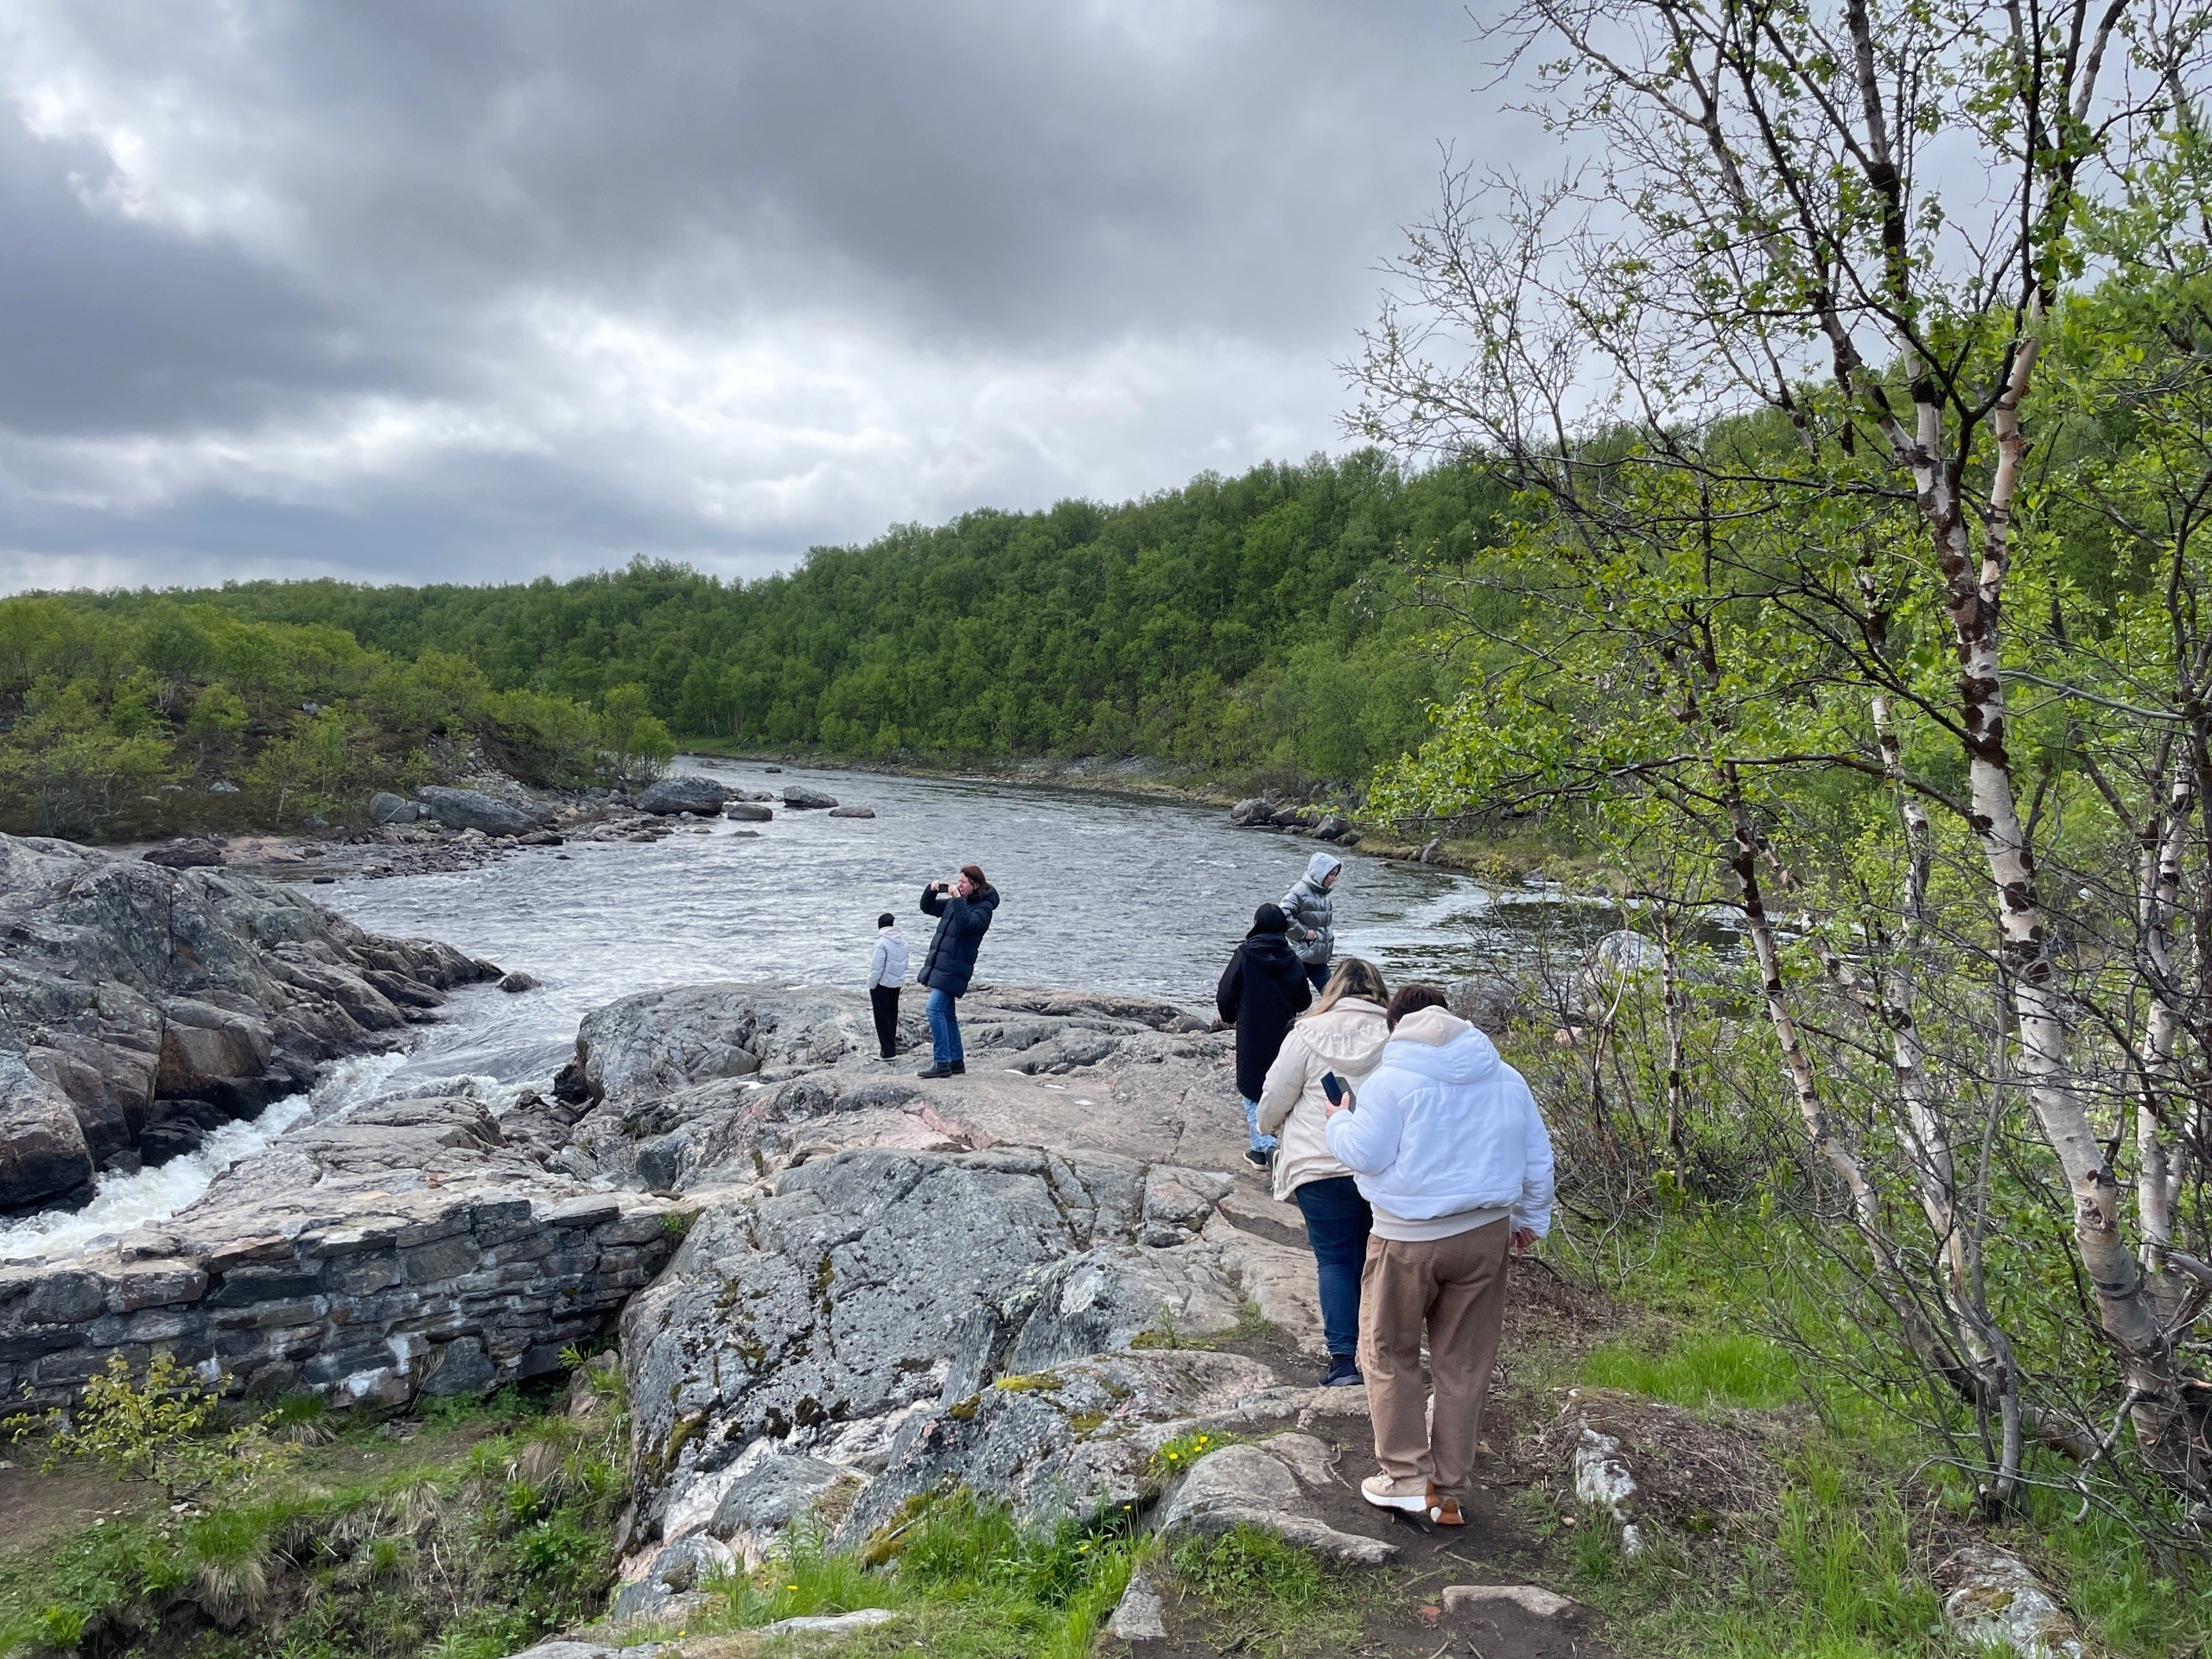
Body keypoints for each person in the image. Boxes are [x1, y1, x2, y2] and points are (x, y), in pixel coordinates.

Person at [1323, 982, 1554, 1528]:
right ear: (1453, 1021)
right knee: (1463, 1364)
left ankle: (1403, 1477)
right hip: (1484, 1236)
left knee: (1388, 1351)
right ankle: (1447, 1490)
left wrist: (1338, 1119)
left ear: (1395, 1027)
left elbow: (1365, 1154)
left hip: (1406, 1238)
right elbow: (1538, 1157)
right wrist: (1529, 1221)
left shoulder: (1390, 1081)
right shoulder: (1506, 1076)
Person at [1255, 957, 1391, 1388]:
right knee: (1377, 1260)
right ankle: (1381, 1355)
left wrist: (1265, 1127)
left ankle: (1342, 1361)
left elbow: (1275, 1097)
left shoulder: (1306, 1035)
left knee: (1333, 1259)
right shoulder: (1395, 1033)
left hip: (1318, 1164)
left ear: (1332, 989)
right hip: (1377, 1164)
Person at [1216, 903, 1313, 1168]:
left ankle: (1264, 1149)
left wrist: (1229, 1016)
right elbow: (1304, 1000)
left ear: (1257, 924)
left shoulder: (1245, 954)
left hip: (1251, 1033)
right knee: (1283, 1085)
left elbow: (1225, 992)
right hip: (1284, 1033)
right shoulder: (1291, 959)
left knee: (1252, 1090)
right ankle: (1277, 1145)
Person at [917, 864, 998, 1078]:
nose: (959, 884)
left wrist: (957, 899)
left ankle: (941, 1062)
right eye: (959, 881)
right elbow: (927, 908)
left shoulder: (984, 909)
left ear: (976, 885)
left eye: (963, 882)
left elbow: (966, 925)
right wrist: (931, 890)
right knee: (946, 1014)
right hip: (943, 965)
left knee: (934, 1010)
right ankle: (955, 1061)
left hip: (956, 967)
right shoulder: (956, 903)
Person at [1281, 851, 1343, 994]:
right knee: (1292, 998)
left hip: (1316, 957)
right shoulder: (1300, 891)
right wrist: (1303, 933)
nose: (1334, 879)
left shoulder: (1323, 895)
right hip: (1301, 956)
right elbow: (1283, 914)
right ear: (1321, 873)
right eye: (1332, 874)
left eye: (1335, 874)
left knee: (1334, 995)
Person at [866, 911, 909, 1061]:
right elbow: (905, 962)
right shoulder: (902, 941)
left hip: (882, 985)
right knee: (892, 1015)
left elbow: (876, 968)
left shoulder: (881, 943)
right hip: (896, 984)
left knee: (881, 1017)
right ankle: (892, 1049)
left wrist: (871, 984)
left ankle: (887, 1051)